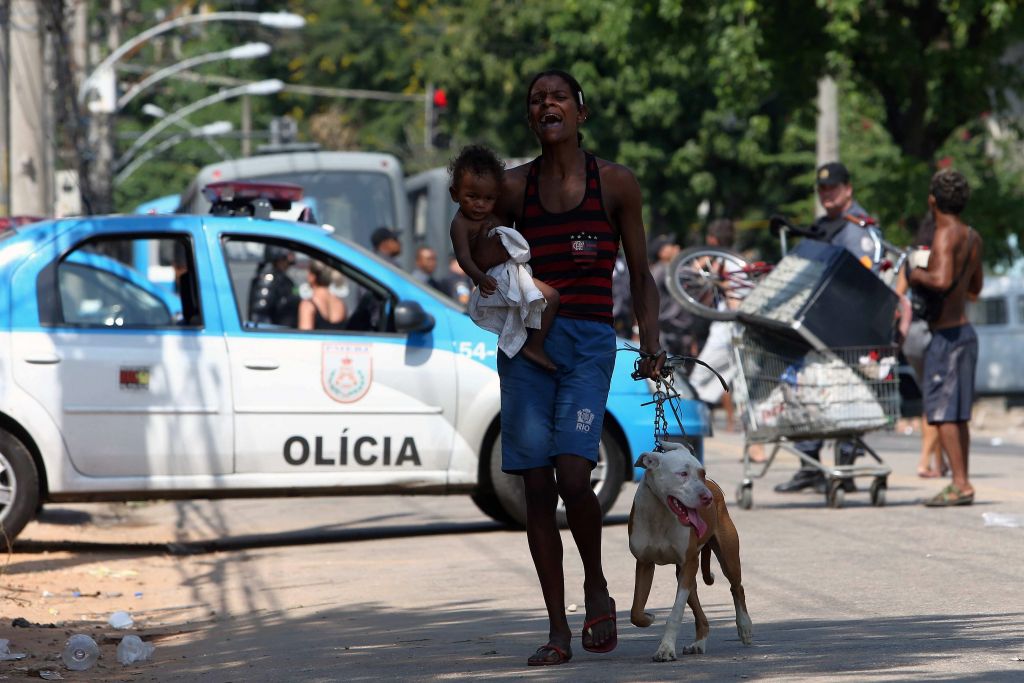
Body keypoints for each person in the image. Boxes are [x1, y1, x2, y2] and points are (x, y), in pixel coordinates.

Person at [480, 69, 665, 666]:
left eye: (558, 97)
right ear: (530, 118)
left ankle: (596, 585)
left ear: (580, 112)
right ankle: (558, 628)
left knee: (572, 474)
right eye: (536, 100)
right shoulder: (514, 187)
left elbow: (641, 273)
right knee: (535, 487)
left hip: (588, 344)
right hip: (527, 344)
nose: (547, 105)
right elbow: (471, 232)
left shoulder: (616, 183)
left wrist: (651, 342)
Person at [775, 161, 884, 494]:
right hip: (816, 324)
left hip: (846, 326)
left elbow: (865, 278)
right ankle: (810, 465)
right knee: (810, 391)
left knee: (845, 394)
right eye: (822, 189)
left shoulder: (858, 227)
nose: (827, 194)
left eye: (833, 188)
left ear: (848, 189)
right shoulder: (825, 225)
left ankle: (844, 467)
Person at [449, 144, 560, 372]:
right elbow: (463, 257)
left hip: (509, 270)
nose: (480, 204)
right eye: (472, 196)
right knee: (551, 297)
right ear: (455, 194)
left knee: (547, 299)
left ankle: (531, 343)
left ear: (497, 198)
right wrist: (480, 278)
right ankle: (534, 346)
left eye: (488, 198)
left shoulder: (492, 215)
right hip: (495, 277)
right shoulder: (460, 224)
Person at [909, 168, 983, 506]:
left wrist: (916, 273)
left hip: (948, 336)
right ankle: (961, 480)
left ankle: (960, 484)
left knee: (942, 413)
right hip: (966, 333)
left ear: (932, 201)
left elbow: (940, 279)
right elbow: (975, 288)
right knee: (959, 414)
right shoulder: (973, 237)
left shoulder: (944, 234)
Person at [248, 245, 300, 327]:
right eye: (289, 251)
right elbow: (260, 317)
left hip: (287, 331)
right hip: (277, 333)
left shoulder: (285, 280)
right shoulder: (268, 279)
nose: (292, 255)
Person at [298, 260, 347, 331]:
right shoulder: (341, 304)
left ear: (312, 277)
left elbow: (304, 336)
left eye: (309, 272)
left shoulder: (308, 306)